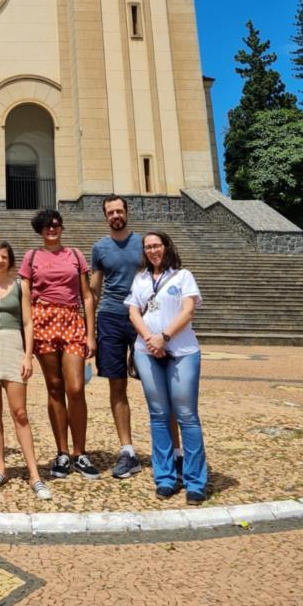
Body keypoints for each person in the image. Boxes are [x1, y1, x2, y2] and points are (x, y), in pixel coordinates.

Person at [90, 195, 182, 480]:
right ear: (105, 216)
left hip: (147, 320)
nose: (115, 215)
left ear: (127, 212)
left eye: (119, 210)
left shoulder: (145, 244)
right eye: (110, 212)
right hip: (111, 317)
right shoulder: (99, 248)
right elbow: (94, 290)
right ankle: (127, 451)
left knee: (159, 386)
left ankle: (175, 453)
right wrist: (89, 327)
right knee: (116, 385)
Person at [125, 231, 208, 503]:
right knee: (158, 414)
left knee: (186, 414)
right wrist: (150, 339)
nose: (152, 251)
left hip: (182, 350)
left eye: (156, 245)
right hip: (146, 350)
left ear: (166, 247)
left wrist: (165, 337)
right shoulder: (140, 279)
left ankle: (195, 480)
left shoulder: (183, 276)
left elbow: (188, 311)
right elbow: (134, 311)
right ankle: (165, 477)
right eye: (148, 247)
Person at [19, 208, 97, 480]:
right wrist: (27, 335)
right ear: (40, 231)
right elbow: (26, 296)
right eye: (46, 226)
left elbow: (87, 296)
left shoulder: (75, 255)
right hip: (43, 320)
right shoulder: (32, 257)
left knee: (75, 387)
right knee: (54, 387)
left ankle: (80, 452)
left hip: (71, 320)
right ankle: (63, 452)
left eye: (55, 225)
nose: (51, 230)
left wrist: (90, 333)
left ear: (62, 228)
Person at [0, 241, 51, 500]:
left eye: (4, 257)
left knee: (20, 412)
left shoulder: (21, 286)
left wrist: (27, 356)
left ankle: (34, 474)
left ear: (10, 260)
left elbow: (28, 323)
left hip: (13, 344)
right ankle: (1, 468)